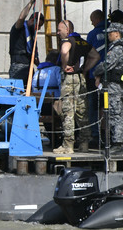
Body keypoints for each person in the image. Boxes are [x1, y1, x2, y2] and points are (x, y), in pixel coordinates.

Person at [53, 20, 100, 154]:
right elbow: (95, 56)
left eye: (59, 29)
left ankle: (68, 145)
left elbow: (64, 50)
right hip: (81, 79)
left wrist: (64, 65)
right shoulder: (82, 42)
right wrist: (85, 69)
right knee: (82, 112)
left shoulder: (67, 40)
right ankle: (84, 143)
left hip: (69, 78)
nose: (57, 33)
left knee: (68, 111)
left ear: (67, 30)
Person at [94, 22, 123, 154]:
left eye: (111, 33)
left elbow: (107, 64)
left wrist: (96, 72)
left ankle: (117, 143)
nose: (108, 35)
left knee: (115, 114)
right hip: (115, 85)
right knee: (115, 113)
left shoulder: (117, 49)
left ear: (117, 33)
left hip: (115, 86)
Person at [9, 0, 45, 82]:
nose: (39, 28)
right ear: (32, 20)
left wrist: (41, 66)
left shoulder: (32, 34)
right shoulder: (19, 28)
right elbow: (21, 17)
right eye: (38, 25)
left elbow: (33, 53)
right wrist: (31, 3)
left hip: (29, 66)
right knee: (17, 91)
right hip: (18, 65)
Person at [86, 9, 107, 144]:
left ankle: (95, 134)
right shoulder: (113, 32)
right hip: (112, 77)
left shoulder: (93, 34)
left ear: (97, 19)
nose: (91, 23)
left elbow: (88, 54)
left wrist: (86, 71)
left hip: (95, 76)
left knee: (94, 105)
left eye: (92, 20)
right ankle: (108, 134)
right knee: (107, 106)